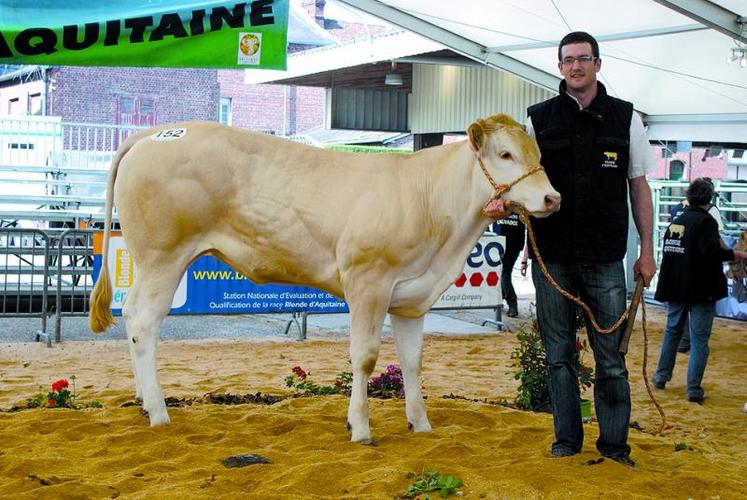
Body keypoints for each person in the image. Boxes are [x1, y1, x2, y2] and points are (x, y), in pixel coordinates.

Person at [525, 31, 657, 467]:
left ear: (598, 64)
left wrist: (647, 252)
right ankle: (567, 441)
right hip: (554, 255)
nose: (576, 66)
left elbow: (639, 188)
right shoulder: (538, 120)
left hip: (605, 257)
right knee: (558, 355)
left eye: (584, 59)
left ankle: (615, 447)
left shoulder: (626, 118)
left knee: (611, 359)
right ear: (559, 66)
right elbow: (523, 185)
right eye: (568, 60)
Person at [652, 178, 746, 403]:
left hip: (675, 285)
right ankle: (693, 388)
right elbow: (711, 252)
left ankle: (661, 376)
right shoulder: (706, 222)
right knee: (699, 339)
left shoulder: (678, 221)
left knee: (672, 330)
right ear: (710, 198)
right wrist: (737, 255)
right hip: (701, 287)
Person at [669, 180, 726, 354]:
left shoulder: (677, 208)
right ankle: (692, 343)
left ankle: (682, 342)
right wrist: (730, 254)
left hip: (679, 267)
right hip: (701, 271)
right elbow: (717, 240)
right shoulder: (711, 211)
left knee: (677, 315)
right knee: (699, 312)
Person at [491, 214, 526, 317]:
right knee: (505, 272)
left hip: (513, 244)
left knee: (505, 273)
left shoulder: (519, 204)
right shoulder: (498, 203)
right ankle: (500, 300)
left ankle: (512, 303)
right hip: (501, 243)